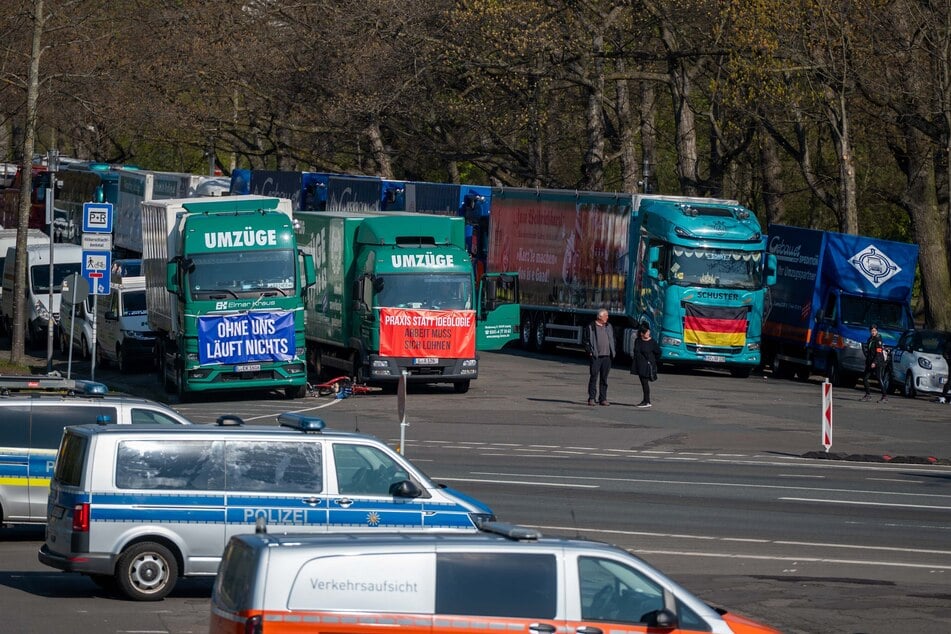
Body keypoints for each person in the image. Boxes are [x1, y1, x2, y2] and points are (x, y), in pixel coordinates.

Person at [583, 308, 615, 406]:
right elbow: (586, 341)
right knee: (594, 377)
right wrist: (590, 352)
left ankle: (603, 399)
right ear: (600, 316)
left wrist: (613, 351)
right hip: (596, 356)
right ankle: (592, 398)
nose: (607, 317)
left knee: (604, 379)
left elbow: (613, 338)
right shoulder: (591, 326)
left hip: (607, 356)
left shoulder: (609, 326)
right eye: (606, 316)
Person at [632, 322, 660, 408]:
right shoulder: (638, 341)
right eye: (647, 332)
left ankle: (647, 401)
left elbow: (658, 352)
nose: (648, 333)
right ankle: (645, 400)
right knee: (643, 383)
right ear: (641, 333)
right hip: (640, 365)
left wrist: (653, 361)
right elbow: (636, 352)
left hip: (647, 366)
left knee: (645, 383)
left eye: (648, 332)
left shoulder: (652, 342)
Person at [862, 324, 887, 402]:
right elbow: (869, 352)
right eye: (872, 331)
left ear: (877, 331)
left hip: (878, 362)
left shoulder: (878, 340)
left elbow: (878, 353)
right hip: (870, 362)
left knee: (879, 378)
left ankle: (884, 396)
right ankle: (868, 395)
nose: (873, 332)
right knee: (865, 378)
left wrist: (874, 362)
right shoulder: (870, 339)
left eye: (874, 331)